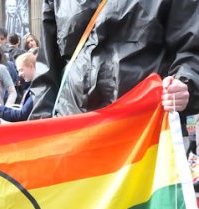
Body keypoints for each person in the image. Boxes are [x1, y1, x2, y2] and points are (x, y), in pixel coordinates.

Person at [29, 1, 197, 121]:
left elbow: (191, 50)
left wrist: (184, 84)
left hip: (142, 126)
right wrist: (40, 127)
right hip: (71, 127)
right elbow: (48, 65)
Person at [0, 52, 36, 122]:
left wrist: (1, 109)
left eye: (21, 70)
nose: (19, 74)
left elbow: (23, 115)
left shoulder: (38, 87)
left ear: (31, 66)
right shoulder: (36, 86)